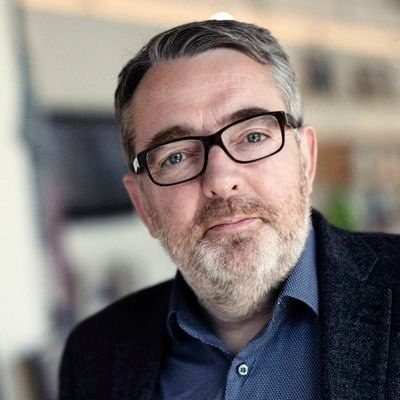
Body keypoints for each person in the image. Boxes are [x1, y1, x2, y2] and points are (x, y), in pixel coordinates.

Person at [59, 20, 400, 400]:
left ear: (305, 159)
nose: (221, 180)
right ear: (142, 203)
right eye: (176, 157)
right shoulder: (93, 355)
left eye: (253, 136)